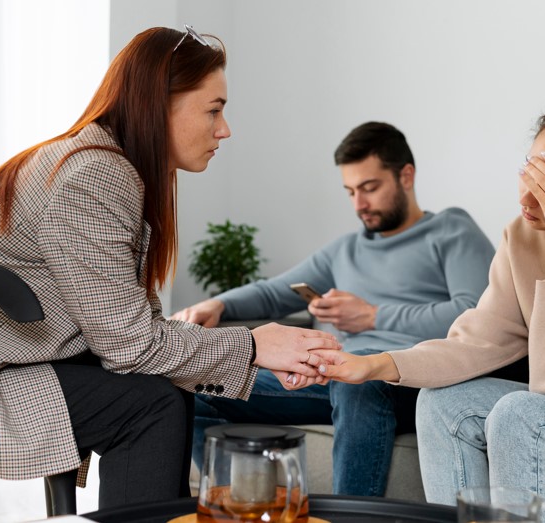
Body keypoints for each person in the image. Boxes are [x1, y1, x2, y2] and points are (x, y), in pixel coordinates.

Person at [0, 26, 340, 510]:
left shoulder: (98, 162)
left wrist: (261, 353)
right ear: (159, 105)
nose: (225, 129)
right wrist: (257, 344)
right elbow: (130, 345)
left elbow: (129, 332)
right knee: (150, 405)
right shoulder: (95, 173)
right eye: (214, 110)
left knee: (162, 394)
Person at [313, 98, 545, 517]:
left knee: (521, 416)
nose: (526, 194)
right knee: (442, 403)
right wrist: (375, 365)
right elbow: (477, 342)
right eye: (529, 169)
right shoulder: (524, 236)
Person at [172, 121, 513, 496]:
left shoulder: (451, 230)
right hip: (336, 377)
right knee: (191, 385)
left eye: (370, 188)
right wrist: (218, 304)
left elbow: (478, 317)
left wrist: (373, 316)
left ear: (406, 176)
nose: (359, 204)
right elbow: (273, 292)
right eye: (350, 191)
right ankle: (248, 507)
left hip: (405, 377)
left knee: (359, 376)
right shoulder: (344, 250)